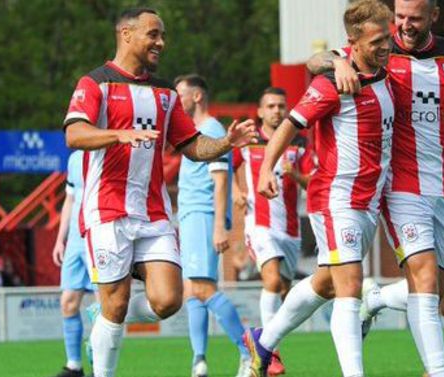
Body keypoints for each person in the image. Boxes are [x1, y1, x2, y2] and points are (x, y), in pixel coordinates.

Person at [307, 1, 444, 374]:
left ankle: (374, 298)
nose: (403, 26)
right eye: (399, 16)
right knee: (422, 279)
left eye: (414, 19)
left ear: (433, 16)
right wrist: (337, 62)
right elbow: (317, 59)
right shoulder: (380, 48)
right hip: (402, 184)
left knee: (436, 292)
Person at [62, 8, 256, 377]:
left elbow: (193, 146)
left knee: (169, 300)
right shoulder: (95, 83)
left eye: (162, 35)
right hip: (106, 211)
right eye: (153, 34)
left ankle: (102, 317)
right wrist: (118, 134)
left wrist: (226, 142)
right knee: (116, 306)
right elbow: (74, 134)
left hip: (153, 213)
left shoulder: (165, 92)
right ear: (126, 34)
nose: (161, 42)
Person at [243, 2, 394, 376]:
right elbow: (290, 124)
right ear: (353, 43)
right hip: (335, 198)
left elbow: (319, 57)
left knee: (327, 282)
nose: (386, 45)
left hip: (368, 200)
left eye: (388, 37)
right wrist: (267, 170)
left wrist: (335, 58)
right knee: (350, 287)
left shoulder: (386, 71)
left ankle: (262, 342)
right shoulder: (332, 84)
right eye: (377, 40)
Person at [359, 141, 444, 328]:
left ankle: (376, 298)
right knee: (429, 291)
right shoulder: (423, 145)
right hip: (431, 230)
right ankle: (432, 349)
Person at [231, 86, 313, 376]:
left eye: (281, 106)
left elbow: (312, 184)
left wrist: (296, 175)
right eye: (271, 106)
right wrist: (236, 190)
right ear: (260, 111)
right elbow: (225, 167)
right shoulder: (249, 141)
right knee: (272, 280)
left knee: (285, 293)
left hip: (291, 230)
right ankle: (272, 354)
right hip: (260, 224)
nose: (277, 111)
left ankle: (258, 342)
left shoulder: (299, 142)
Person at [174, 74, 252, 377]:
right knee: (192, 291)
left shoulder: (211, 130)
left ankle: (249, 352)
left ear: (196, 97)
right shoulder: (198, 132)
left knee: (203, 289)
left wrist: (220, 226)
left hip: (203, 217)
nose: (176, 100)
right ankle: (199, 361)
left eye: (180, 93)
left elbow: (219, 180)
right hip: (194, 217)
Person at [49, 150, 97, 377]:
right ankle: (74, 366)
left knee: (104, 306)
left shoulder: (107, 152)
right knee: (68, 302)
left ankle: (101, 365)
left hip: (99, 238)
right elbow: (70, 199)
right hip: (75, 243)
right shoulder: (74, 157)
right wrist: (60, 240)